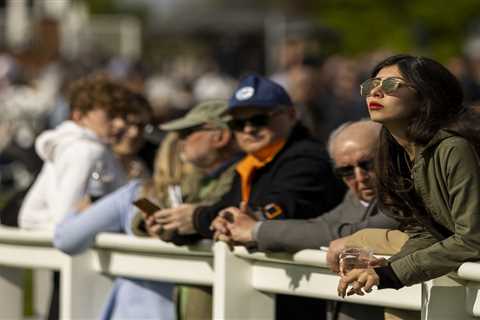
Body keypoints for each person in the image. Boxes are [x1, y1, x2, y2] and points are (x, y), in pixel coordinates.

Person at [148, 74, 345, 320]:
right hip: (267, 297)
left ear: (291, 116)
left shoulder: (306, 159)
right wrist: (175, 228)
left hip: (305, 300)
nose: (249, 129)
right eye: (239, 124)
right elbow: (223, 210)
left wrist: (198, 217)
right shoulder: (252, 163)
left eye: (259, 119)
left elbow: (277, 210)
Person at [54, 100, 240, 320]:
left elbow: (65, 237)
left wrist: (82, 210)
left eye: (187, 134)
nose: (182, 143)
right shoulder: (141, 195)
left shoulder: (135, 195)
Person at [334, 54, 480, 298]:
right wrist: (385, 268)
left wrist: (394, 273)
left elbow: (472, 238)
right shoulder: (397, 155)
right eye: (372, 85)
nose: (375, 93)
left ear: (425, 96)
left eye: (391, 85)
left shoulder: (454, 148)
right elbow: (425, 233)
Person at [216, 120, 398, 254]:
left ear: (391, 155)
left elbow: (349, 234)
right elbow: (320, 224)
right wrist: (245, 227)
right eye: (346, 171)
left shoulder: (408, 195)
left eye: (368, 165)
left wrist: (256, 230)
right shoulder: (352, 197)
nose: (360, 178)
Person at [18, 74, 133, 230]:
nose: (120, 124)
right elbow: (64, 221)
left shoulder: (73, 148)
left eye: (123, 116)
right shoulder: (86, 152)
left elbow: (29, 216)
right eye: (111, 115)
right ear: (79, 116)